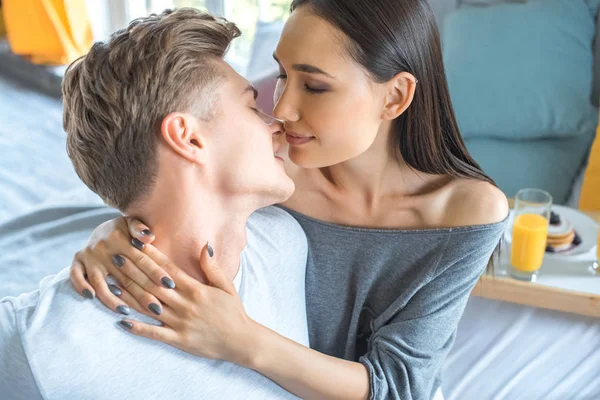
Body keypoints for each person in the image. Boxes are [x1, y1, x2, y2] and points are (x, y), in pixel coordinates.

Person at [69, 1, 509, 399]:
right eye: (282, 75)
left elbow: (400, 386)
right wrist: (120, 230)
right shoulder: (273, 173)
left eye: (315, 87)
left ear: (394, 96)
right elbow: (171, 187)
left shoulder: (465, 213)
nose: (282, 109)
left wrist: (241, 340)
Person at [0, 9, 310, 399]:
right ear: (189, 138)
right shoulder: (36, 341)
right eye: (252, 108)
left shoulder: (288, 246)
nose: (278, 123)